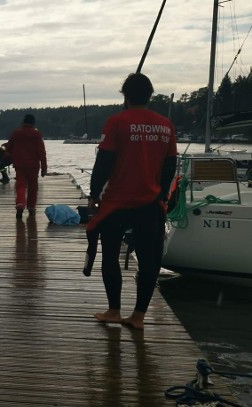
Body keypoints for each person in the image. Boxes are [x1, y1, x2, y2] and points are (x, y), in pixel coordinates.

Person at [87, 72, 177, 330]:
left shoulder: (117, 122)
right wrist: (161, 195)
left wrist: (94, 196)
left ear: (125, 95)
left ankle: (114, 310)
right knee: (150, 259)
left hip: (117, 202)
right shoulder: (165, 125)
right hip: (150, 202)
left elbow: (103, 163)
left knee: (111, 255)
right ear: (150, 95)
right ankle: (138, 316)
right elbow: (170, 164)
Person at [5, 114, 47, 218]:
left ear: (24, 122)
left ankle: (20, 203)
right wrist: (44, 168)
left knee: (21, 185)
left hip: (19, 164)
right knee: (33, 187)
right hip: (33, 165)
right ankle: (31, 207)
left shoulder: (16, 133)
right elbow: (42, 152)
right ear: (33, 123)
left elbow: (8, 149)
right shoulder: (37, 134)